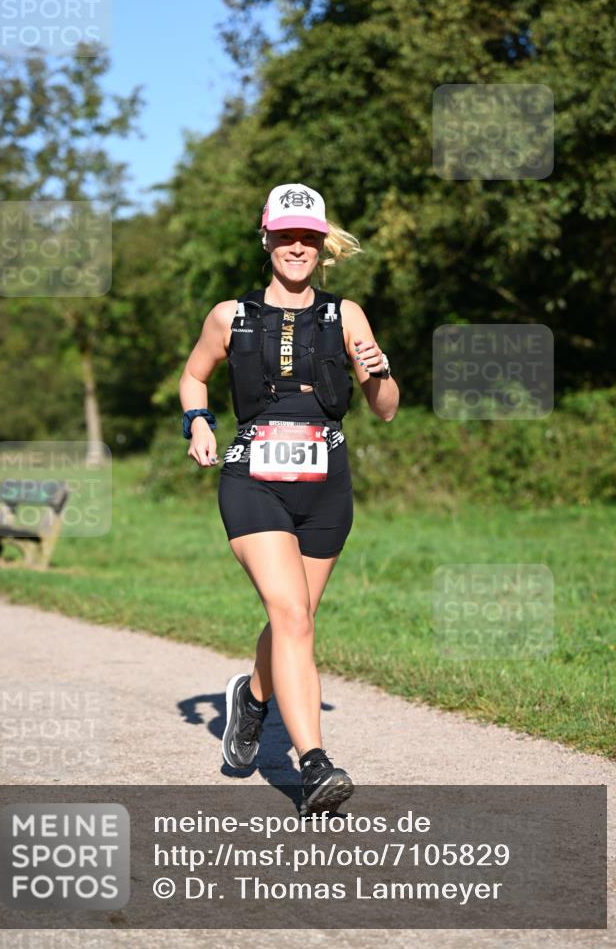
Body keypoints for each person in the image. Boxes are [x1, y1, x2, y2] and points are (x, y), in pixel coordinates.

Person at [179, 182, 399, 814]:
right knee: (292, 615)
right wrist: (199, 422)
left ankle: (251, 701)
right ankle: (314, 765)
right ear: (267, 237)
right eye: (285, 235)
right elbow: (194, 375)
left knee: (293, 619)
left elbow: (384, 410)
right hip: (253, 480)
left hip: (327, 487)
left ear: (321, 242)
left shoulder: (345, 315)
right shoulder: (231, 316)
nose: (296, 247)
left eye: (308, 236)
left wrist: (380, 373)